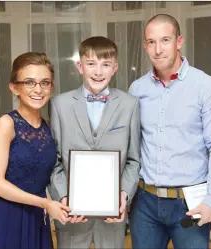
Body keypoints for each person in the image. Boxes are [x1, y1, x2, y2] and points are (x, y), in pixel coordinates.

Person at [128, 14, 211, 249]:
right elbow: (131, 148)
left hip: (190, 204)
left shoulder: (205, 86)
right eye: (151, 42)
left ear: (179, 41)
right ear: (145, 46)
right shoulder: (137, 89)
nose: (158, 49)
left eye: (165, 40)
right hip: (144, 204)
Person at [48, 36, 140, 249]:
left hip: (112, 218)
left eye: (105, 65)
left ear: (114, 68)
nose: (98, 72)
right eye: (91, 64)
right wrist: (63, 197)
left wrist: (123, 197)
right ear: (80, 66)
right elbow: (54, 161)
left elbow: (134, 160)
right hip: (72, 217)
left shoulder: (129, 105)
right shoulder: (59, 105)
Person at [0, 52, 71, 249]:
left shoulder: (48, 127)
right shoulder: (6, 124)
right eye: (29, 82)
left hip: (38, 217)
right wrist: (45, 204)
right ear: (14, 88)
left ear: (51, 87)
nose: (38, 89)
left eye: (45, 82)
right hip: (9, 216)